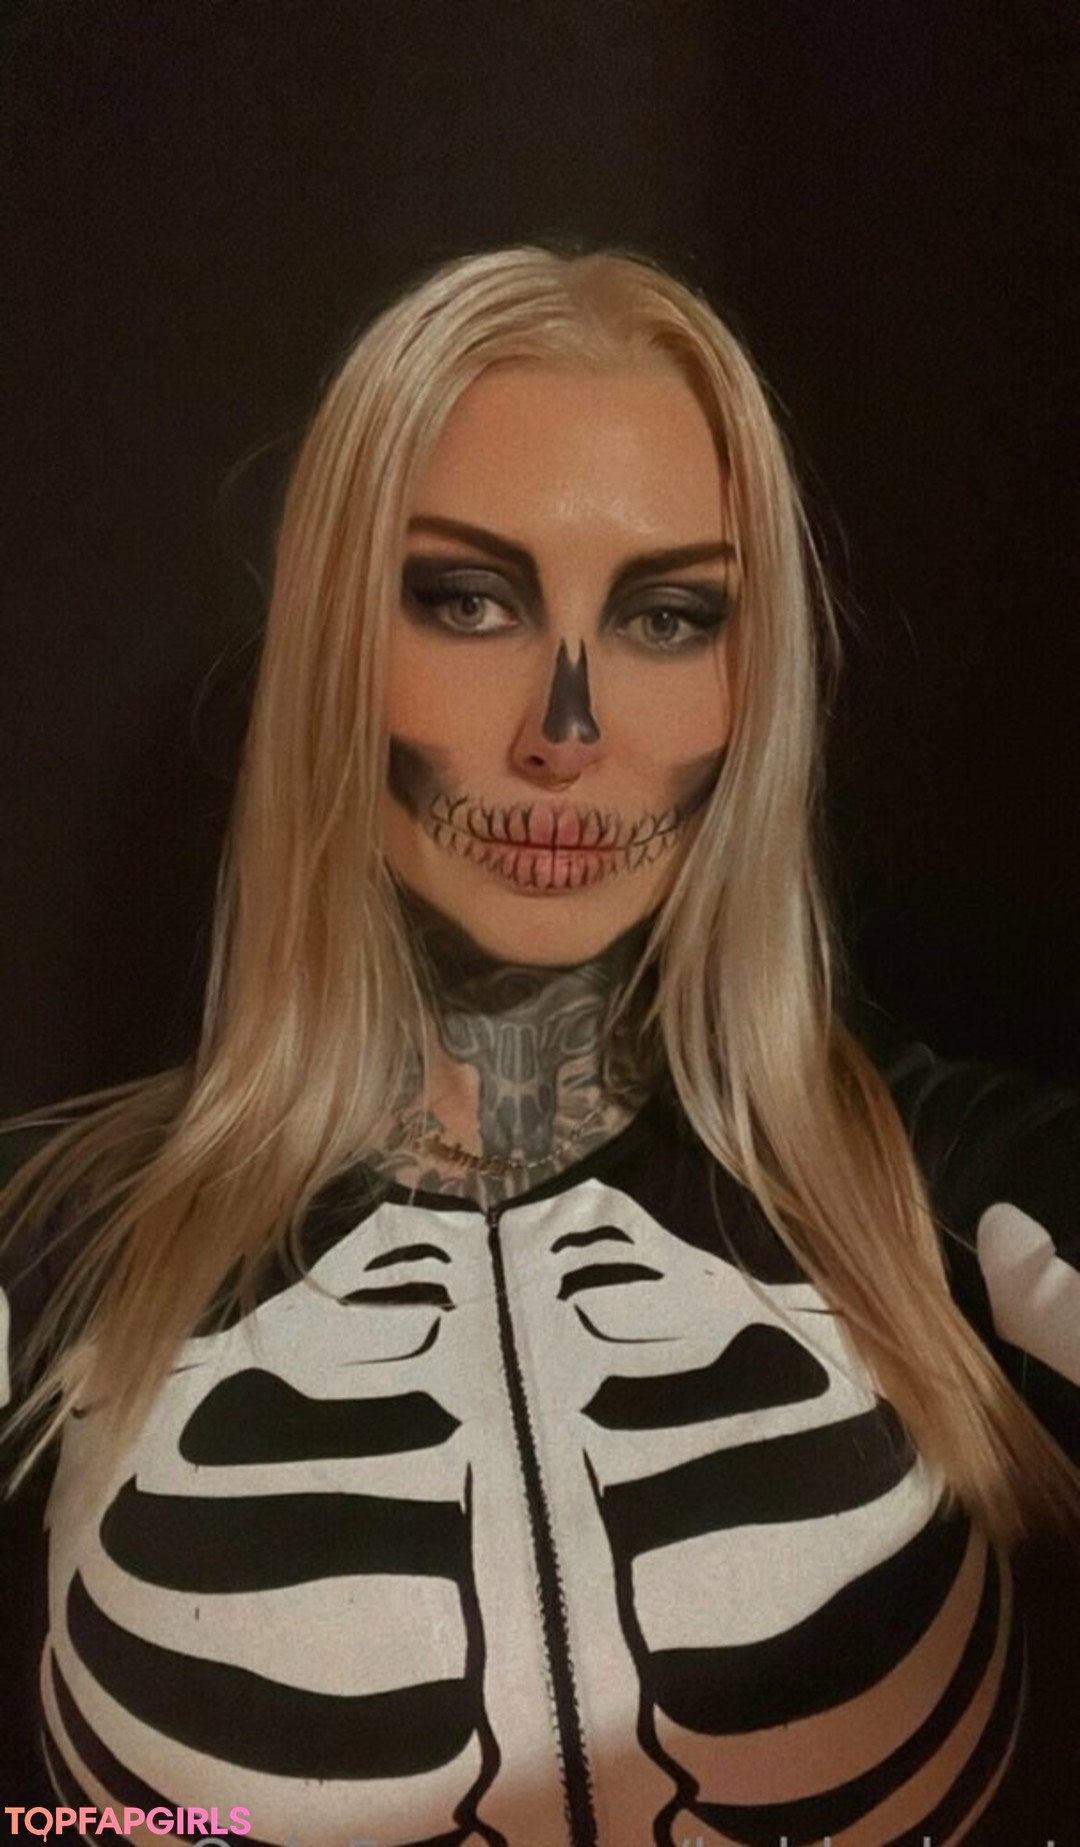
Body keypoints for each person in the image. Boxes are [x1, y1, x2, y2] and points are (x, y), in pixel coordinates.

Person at [1, 246, 1078, 1845]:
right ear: (331, 647)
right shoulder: (65, 1232)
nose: (566, 732)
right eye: (468, 601)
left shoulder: (936, 1189)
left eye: (669, 614)